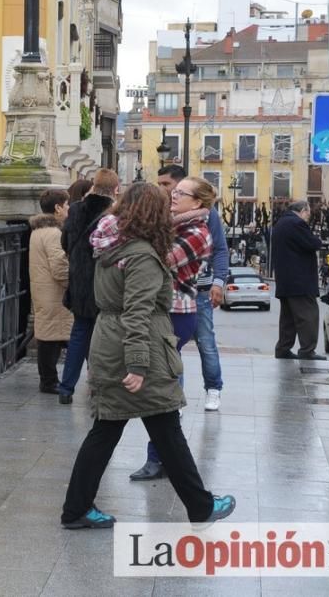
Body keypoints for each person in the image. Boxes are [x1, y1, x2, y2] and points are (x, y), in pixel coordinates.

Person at [59, 182, 236, 530]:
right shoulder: (142, 254)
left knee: (112, 429)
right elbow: (137, 312)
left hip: (110, 340)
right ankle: (200, 507)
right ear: (153, 215)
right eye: (165, 207)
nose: (171, 209)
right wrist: (138, 364)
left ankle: (76, 508)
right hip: (139, 349)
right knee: (162, 427)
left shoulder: (110, 246)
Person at [129, 176, 216, 481]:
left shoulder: (196, 232)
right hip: (167, 310)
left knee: (163, 385)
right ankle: (163, 456)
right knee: (163, 382)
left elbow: (161, 260)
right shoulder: (175, 224)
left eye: (181, 193)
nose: (174, 195)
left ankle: (161, 457)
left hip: (177, 312)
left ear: (199, 202)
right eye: (174, 191)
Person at [156, 165, 227, 413]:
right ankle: (176, 399)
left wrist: (219, 281)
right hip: (175, 294)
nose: (166, 191)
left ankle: (213, 388)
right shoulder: (169, 214)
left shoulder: (206, 220)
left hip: (199, 289)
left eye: (168, 185)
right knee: (172, 351)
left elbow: (220, 249)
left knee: (205, 342)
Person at [57, 168, 120, 404]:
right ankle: (98, 386)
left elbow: (65, 243)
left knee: (79, 335)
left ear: (94, 185)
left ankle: (66, 388)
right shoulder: (113, 213)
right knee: (103, 337)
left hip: (79, 282)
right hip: (104, 283)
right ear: (116, 189)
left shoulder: (74, 210)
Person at [29, 189, 73, 394]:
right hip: (55, 294)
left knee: (48, 337)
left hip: (43, 291)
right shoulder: (55, 234)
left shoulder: (38, 231)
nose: (69, 209)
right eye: (67, 205)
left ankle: (48, 380)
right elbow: (60, 265)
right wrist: (71, 284)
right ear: (57, 208)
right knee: (53, 339)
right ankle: (50, 382)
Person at [272, 200, 325, 360]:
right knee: (308, 316)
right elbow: (313, 243)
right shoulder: (296, 223)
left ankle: (283, 348)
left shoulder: (280, 223)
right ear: (302, 210)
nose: (308, 217)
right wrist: (317, 239)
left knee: (288, 318)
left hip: (285, 281)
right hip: (300, 281)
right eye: (308, 213)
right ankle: (307, 350)